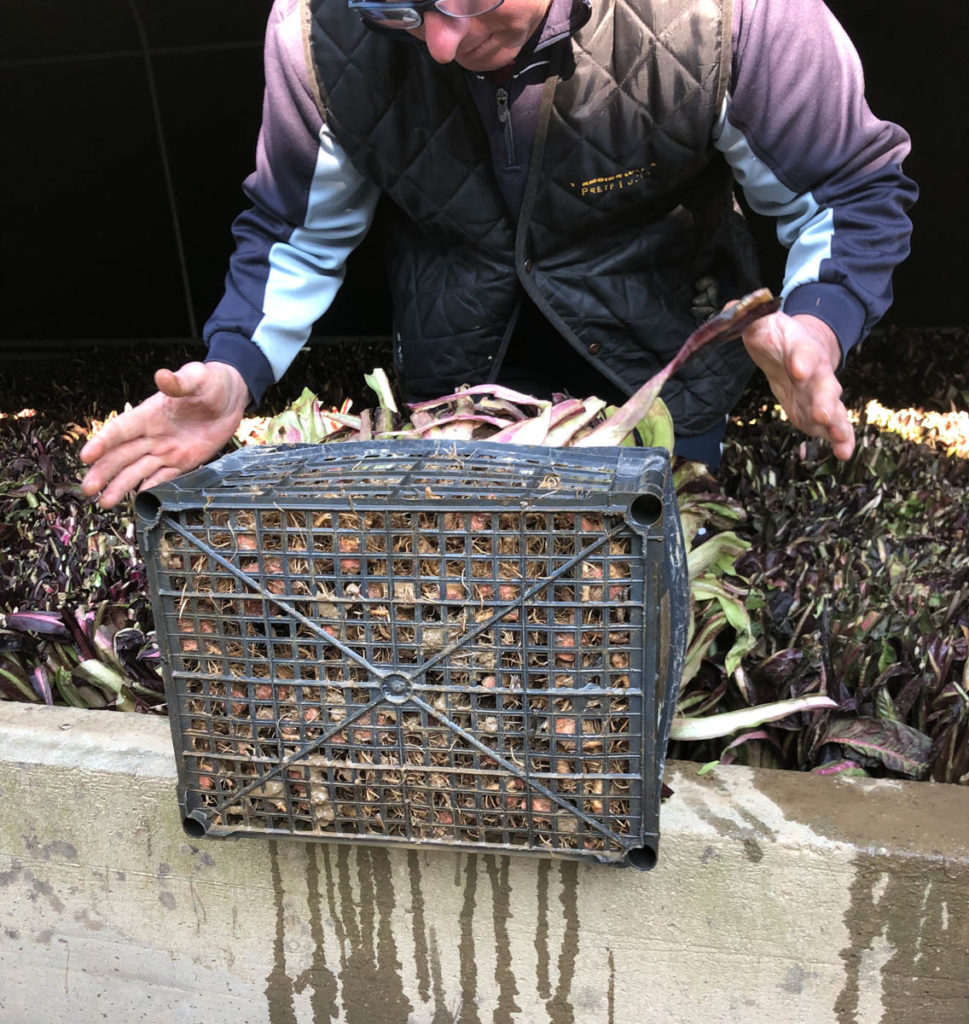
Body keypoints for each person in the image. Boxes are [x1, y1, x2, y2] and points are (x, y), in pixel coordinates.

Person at [80, 0, 916, 509]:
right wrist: (233, 371)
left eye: (471, 0)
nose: (439, 42)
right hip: (457, 396)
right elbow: (292, 230)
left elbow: (848, 190)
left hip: (660, 382)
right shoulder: (315, 26)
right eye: (400, 8)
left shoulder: (728, 13)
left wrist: (819, 324)